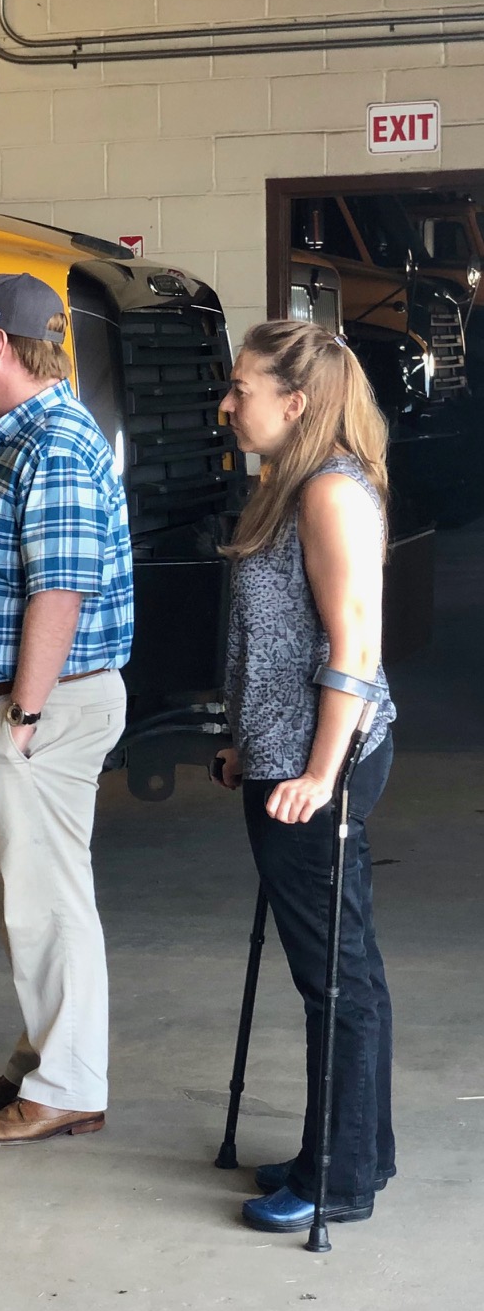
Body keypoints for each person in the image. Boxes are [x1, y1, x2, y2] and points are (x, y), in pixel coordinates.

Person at [0, 273, 134, 1144]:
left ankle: (66, 1085)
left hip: (41, 714)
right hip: (10, 705)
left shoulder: (51, 444)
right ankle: (42, 1057)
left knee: (47, 902)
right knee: (28, 896)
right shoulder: (19, 440)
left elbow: (60, 590)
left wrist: (18, 716)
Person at [212, 319, 396, 1232]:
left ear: (295, 401)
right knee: (338, 964)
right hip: (283, 752)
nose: (226, 403)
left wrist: (320, 772)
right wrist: (250, 739)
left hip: (321, 760)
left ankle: (339, 1173)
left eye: (240, 388)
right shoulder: (287, 488)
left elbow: (352, 646)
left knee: (335, 973)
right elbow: (274, 642)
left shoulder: (328, 494)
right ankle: (359, 1144)